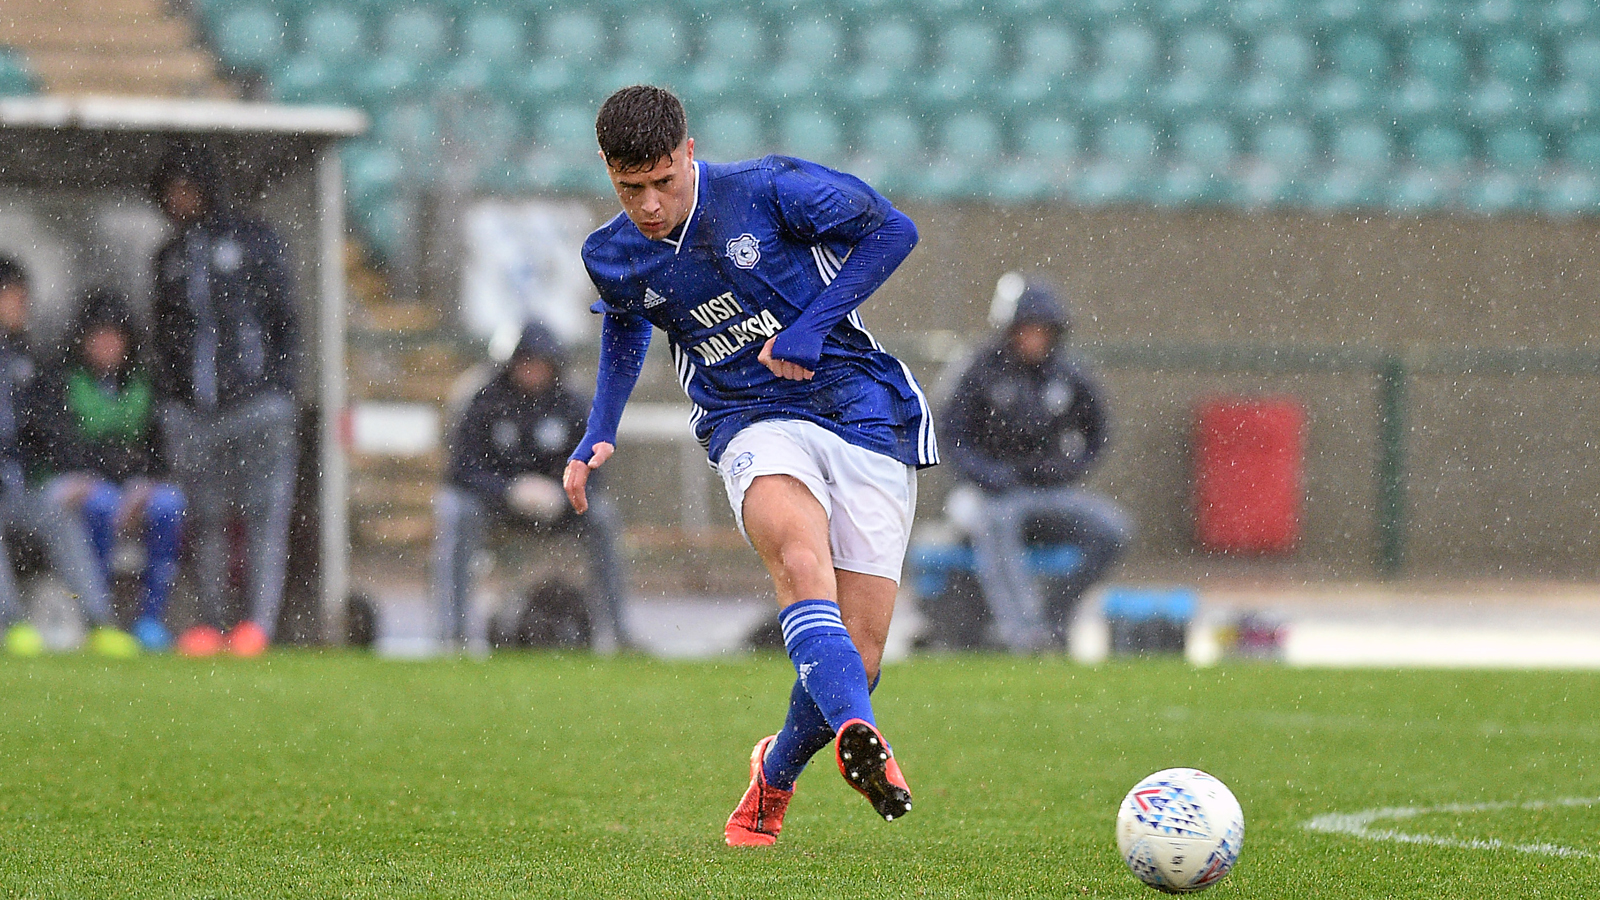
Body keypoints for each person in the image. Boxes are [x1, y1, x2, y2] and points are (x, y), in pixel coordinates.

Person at [562, 85, 937, 846]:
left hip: (860, 405)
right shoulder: (611, 253)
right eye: (629, 188)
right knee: (800, 562)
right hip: (749, 419)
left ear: (689, 152)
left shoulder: (770, 191)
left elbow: (894, 231)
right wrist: (599, 428)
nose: (650, 206)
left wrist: (810, 325)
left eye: (663, 182)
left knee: (858, 655)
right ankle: (865, 741)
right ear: (607, 171)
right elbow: (629, 322)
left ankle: (777, 770)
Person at [147, 142, 300, 658]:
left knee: (262, 518)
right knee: (205, 521)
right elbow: (165, 338)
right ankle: (212, 622)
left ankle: (256, 626)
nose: (180, 200)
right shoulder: (168, 257)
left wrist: (278, 388)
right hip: (194, 414)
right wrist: (172, 402)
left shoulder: (253, 240)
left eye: (187, 189)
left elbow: (285, 320)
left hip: (256, 407)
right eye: (172, 191)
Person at [941, 274, 1134, 653]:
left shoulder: (1069, 374)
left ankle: (1053, 617)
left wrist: (1066, 469)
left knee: (1113, 529)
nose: (1035, 338)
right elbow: (952, 436)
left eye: (1043, 330)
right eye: (1027, 328)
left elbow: (1097, 432)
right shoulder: (977, 370)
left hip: (1048, 494)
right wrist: (989, 474)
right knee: (996, 522)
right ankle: (1024, 634)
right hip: (986, 495)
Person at [432, 321, 633, 654]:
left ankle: (619, 633)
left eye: (540, 363)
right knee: (456, 513)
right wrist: (509, 490)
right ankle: (453, 635)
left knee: (603, 518)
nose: (532, 371)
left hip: (559, 502)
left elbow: (594, 468)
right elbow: (461, 470)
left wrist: (562, 494)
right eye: (525, 362)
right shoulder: (481, 399)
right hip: (493, 502)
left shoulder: (572, 403)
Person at [32, 288, 187, 652]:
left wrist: (140, 486)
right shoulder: (63, 380)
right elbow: (62, 448)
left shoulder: (142, 384)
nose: (106, 346)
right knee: (99, 504)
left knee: (168, 505)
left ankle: (150, 618)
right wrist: (111, 469)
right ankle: (97, 614)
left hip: (129, 486)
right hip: (76, 485)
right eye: (98, 337)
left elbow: (156, 451)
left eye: (114, 338)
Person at [0, 259, 136, 657]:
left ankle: (100, 623)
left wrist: (67, 474)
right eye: (14, 298)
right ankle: (12, 625)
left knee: (61, 521)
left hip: (19, 487)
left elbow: (47, 431)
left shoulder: (26, 358)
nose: (21, 307)